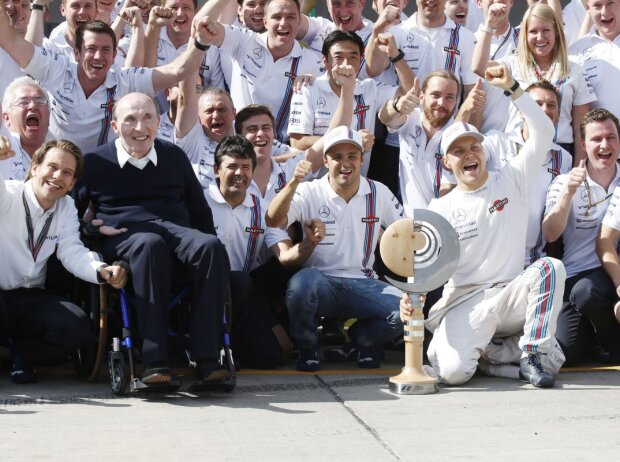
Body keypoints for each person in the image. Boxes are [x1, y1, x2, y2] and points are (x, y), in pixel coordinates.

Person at [401, 64, 566, 388]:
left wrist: (513, 88)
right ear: (446, 162)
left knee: (551, 268)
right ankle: (495, 355)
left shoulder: (513, 179)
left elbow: (544, 132)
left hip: (510, 296)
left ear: (484, 151)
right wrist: (409, 298)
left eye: (473, 147)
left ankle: (529, 354)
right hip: (466, 301)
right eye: (458, 151)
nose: (468, 155)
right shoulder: (439, 208)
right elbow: (421, 265)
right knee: (452, 373)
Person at [73, 92, 231, 388]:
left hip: (174, 229)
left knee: (210, 247)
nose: (139, 127)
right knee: (149, 244)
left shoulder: (173, 156)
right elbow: (71, 216)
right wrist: (92, 231)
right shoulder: (95, 162)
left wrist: (209, 258)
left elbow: (200, 213)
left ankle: (208, 359)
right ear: (115, 126)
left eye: (147, 117)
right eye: (130, 119)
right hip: (123, 236)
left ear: (159, 122)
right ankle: (154, 361)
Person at [266, 126, 405, 371]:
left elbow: (405, 232)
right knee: (300, 285)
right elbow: (273, 220)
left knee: (407, 311)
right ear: (326, 160)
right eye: (337, 157)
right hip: (321, 283)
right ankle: (308, 345)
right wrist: (294, 182)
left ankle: (361, 340)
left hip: (363, 283)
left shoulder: (378, 192)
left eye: (352, 156)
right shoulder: (309, 189)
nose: (345, 163)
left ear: (362, 160)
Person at [0, 139, 127, 384]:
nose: (58, 176)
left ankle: (22, 353)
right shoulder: (10, 195)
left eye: (67, 173)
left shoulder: (66, 207)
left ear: (72, 184)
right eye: (52, 167)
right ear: (34, 167)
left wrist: (101, 269)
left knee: (78, 327)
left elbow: (71, 251)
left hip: (31, 296)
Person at [0, 11, 213, 153]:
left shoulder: (124, 80)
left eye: (106, 50)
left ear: (114, 57)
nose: (98, 57)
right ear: (76, 53)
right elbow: (9, 40)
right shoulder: (56, 68)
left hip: (98, 170)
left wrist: (201, 42)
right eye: (91, 49)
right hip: (54, 165)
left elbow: (177, 70)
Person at [543, 108, 620, 365]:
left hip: (614, 272)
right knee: (569, 354)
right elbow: (550, 233)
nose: (604, 145)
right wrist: (568, 194)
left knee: (588, 292)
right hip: (578, 277)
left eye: (611, 137)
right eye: (597, 139)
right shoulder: (564, 181)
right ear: (583, 144)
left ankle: (614, 344)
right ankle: (595, 333)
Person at [288, 30, 411, 176]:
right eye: (338, 57)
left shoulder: (369, 88)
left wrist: (395, 55)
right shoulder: (307, 89)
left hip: (357, 188)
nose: (346, 64)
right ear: (325, 61)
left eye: (353, 57)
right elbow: (297, 142)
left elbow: (410, 93)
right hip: (315, 188)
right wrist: (352, 140)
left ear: (360, 61)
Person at [198, 0, 324, 142]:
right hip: (239, 146)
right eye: (276, 17)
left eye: (290, 17)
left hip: (281, 150)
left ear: (299, 21)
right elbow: (200, 25)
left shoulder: (312, 64)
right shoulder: (244, 41)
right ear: (265, 21)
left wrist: (314, 82)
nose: (283, 23)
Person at [484, 80, 572, 267]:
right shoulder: (495, 142)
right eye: (537, 104)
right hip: (489, 261)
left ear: (557, 115)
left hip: (532, 263)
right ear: (523, 110)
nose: (544, 109)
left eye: (551, 105)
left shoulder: (564, 158)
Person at [379, 70, 462, 213]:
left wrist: (429, 224)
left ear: (456, 101)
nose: (441, 103)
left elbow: (449, 188)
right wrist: (396, 105)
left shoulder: (459, 135)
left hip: (442, 220)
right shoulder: (411, 118)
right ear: (422, 97)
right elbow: (384, 117)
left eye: (449, 97)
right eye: (435, 95)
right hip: (409, 222)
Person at [471, 0, 519, 134]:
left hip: (517, 137)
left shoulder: (526, 39)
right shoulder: (467, 40)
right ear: (479, 3)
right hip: (479, 138)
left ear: (511, 2)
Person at [569, 0, 620, 124]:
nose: (604, 12)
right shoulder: (575, 52)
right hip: (600, 140)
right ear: (588, 8)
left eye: (610, 3)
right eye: (597, 5)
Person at [0, 77, 51, 181]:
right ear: (6, 118)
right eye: (23, 102)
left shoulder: (59, 157)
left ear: (49, 116)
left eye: (40, 101)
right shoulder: (3, 148)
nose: (32, 106)